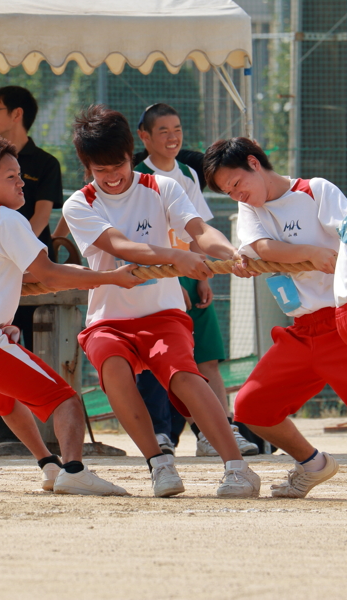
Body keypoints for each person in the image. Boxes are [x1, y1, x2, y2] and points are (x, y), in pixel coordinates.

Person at [0, 135, 143, 495]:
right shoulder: (6, 218)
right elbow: (50, 273)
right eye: (11, 177)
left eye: (20, 175)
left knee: (6, 401)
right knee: (66, 399)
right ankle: (74, 469)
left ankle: (49, 465)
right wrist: (111, 278)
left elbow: (9, 272)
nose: (22, 182)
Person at [62, 105, 260, 498]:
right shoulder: (79, 204)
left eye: (117, 165)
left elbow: (198, 230)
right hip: (108, 319)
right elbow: (121, 246)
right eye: (100, 171)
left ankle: (237, 468)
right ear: (87, 167)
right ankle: (159, 462)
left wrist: (231, 254)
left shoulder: (161, 187)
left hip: (163, 313)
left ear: (130, 152)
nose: (112, 177)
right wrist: (176, 256)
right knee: (113, 370)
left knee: (185, 376)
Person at [204, 136, 345, 498]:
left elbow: (346, 228)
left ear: (254, 163)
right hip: (300, 331)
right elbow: (262, 248)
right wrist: (311, 253)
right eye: (227, 193)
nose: (237, 195)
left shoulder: (315, 191)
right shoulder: (252, 210)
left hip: (341, 323)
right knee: (251, 407)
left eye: (236, 184)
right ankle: (313, 464)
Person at [132, 103, 258, 458]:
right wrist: (172, 280)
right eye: (163, 132)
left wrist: (202, 274)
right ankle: (160, 434)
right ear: (144, 136)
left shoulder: (188, 173)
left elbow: (196, 229)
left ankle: (220, 431)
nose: (173, 138)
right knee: (163, 360)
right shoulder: (136, 177)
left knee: (207, 358)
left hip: (192, 272)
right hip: (158, 275)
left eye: (178, 130)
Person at [0, 87, 64, 452]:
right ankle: (5, 437)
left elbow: (41, 215)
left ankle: (49, 433)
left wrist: (23, 253)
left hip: (31, 266)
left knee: (35, 346)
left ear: (17, 114)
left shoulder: (45, 163)